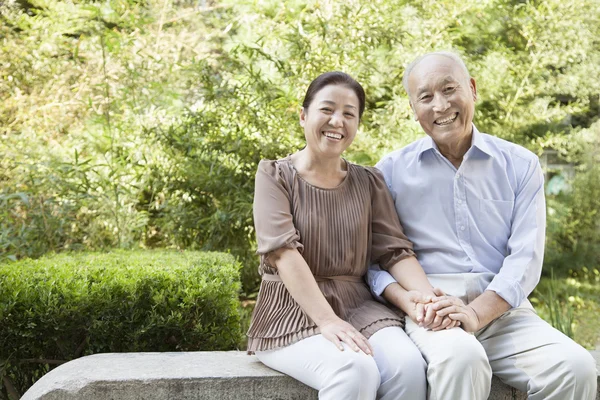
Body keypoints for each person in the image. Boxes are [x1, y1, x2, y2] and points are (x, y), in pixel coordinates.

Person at [368, 51, 598, 400]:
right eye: (425, 97)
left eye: (449, 89)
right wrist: (412, 302)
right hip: (435, 313)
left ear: (472, 89)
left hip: (505, 314)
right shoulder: (390, 172)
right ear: (413, 109)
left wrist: (476, 313)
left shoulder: (520, 164)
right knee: (462, 358)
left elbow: (526, 259)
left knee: (577, 368)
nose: (441, 105)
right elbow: (373, 263)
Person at [247, 71, 456, 399]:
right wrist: (326, 320)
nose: (337, 121)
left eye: (349, 113)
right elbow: (283, 254)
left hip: (361, 307)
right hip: (292, 310)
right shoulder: (274, 175)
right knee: (354, 369)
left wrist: (431, 300)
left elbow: (394, 253)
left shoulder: (369, 181)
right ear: (303, 116)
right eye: (327, 109)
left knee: (408, 366)